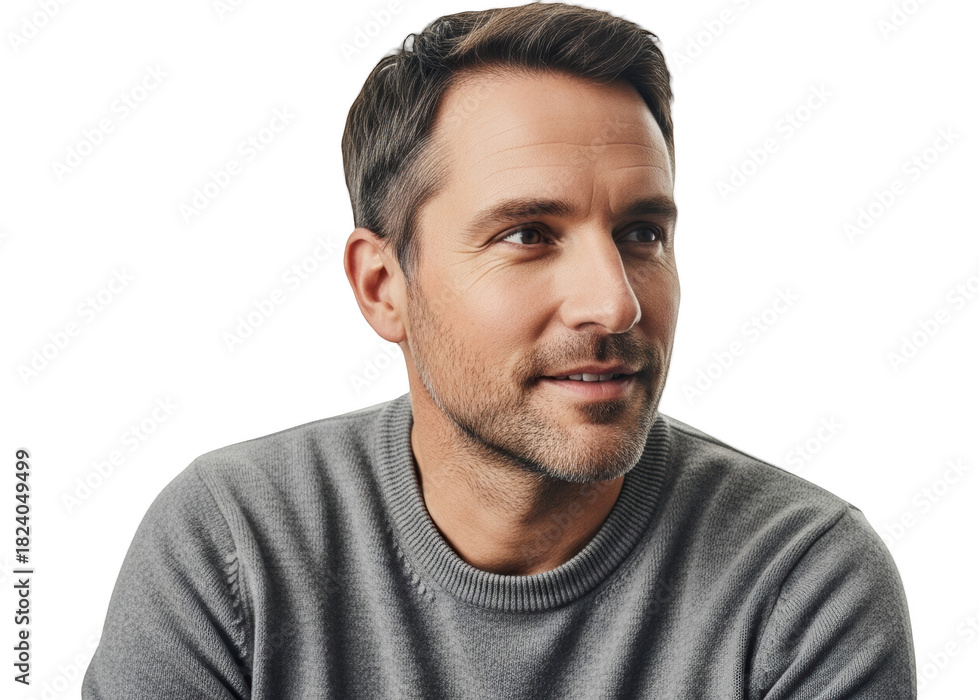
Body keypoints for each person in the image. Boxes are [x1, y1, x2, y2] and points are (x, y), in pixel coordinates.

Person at [83, 3, 917, 697]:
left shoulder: (802, 582)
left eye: (641, 233)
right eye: (528, 234)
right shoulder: (233, 547)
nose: (615, 303)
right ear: (383, 287)